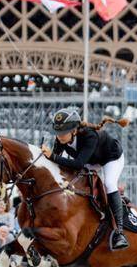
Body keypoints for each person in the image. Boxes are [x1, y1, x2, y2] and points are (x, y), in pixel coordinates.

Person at [41, 107, 130, 250]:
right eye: (57, 133)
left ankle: (119, 232)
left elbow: (78, 164)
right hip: (90, 160)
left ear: (74, 130)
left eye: (63, 133)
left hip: (111, 157)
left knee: (109, 184)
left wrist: (52, 156)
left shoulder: (89, 136)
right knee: (75, 182)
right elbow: (55, 163)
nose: (59, 136)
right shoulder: (61, 140)